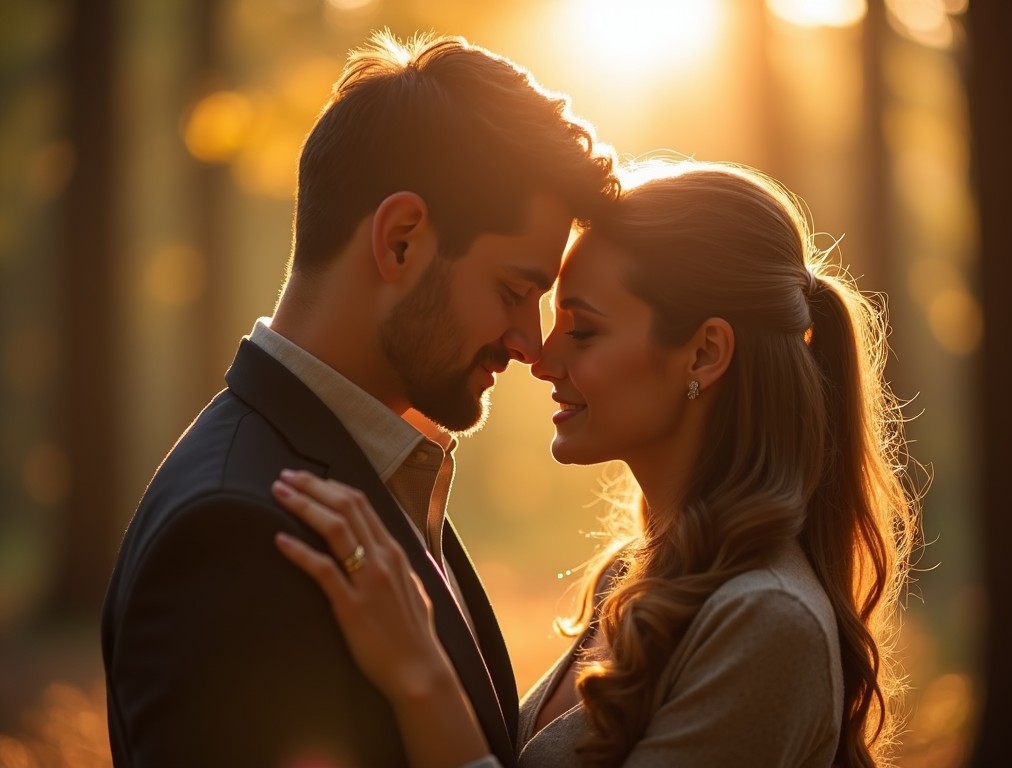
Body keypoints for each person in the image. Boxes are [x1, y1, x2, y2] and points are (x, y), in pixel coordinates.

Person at [270, 160, 922, 768]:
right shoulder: (632, 578)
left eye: (582, 331)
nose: (542, 359)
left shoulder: (767, 625)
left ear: (703, 354)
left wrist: (422, 677)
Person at [101, 30, 618, 768]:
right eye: (513, 291)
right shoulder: (236, 533)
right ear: (401, 241)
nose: (529, 345)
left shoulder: (373, 475)